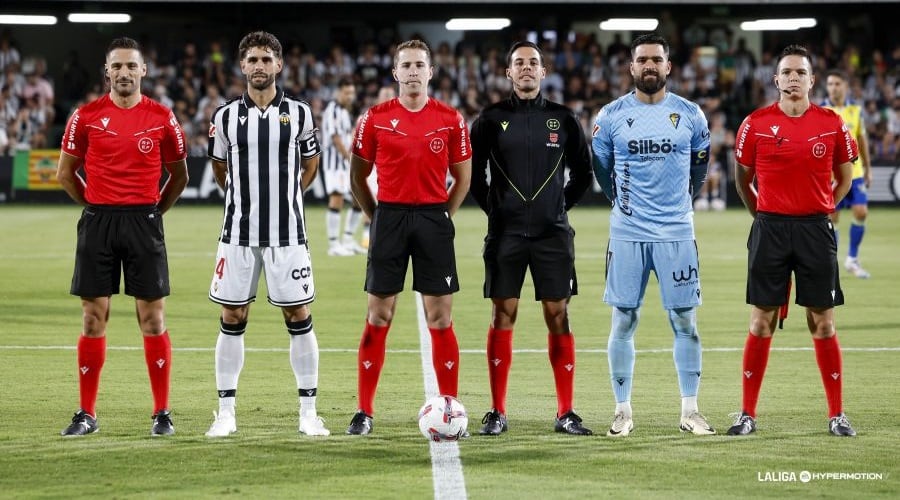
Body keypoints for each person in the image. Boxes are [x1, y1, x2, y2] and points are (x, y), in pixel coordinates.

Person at [55, 37, 188, 437]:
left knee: (152, 318)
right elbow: (65, 173)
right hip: (99, 222)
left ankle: (161, 413)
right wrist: (95, 205)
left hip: (144, 221)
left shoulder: (163, 117)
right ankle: (86, 413)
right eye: (117, 67)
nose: (125, 73)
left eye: (132, 66)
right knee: (93, 318)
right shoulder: (86, 116)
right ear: (107, 72)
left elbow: (178, 176)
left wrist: (152, 212)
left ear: (143, 71)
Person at [205, 31, 329, 438]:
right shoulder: (223, 116)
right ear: (242, 66)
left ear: (279, 65)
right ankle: (225, 412)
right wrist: (243, 198)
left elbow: (310, 165)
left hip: (288, 234)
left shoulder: (300, 113)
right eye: (252, 60)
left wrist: (288, 194)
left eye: (266, 59)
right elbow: (220, 168)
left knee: (298, 316)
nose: (259, 66)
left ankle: (308, 412)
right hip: (237, 234)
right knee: (232, 316)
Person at [591, 33, 715, 437]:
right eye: (642, 59)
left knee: (685, 321)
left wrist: (678, 204)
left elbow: (699, 168)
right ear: (631, 68)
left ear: (668, 66)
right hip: (627, 232)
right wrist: (624, 205)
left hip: (677, 231)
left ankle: (690, 410)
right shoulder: (610, 116)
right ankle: (622, 411)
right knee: (623, 319)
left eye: (656, 60)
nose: (649, 66)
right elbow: (602, 171)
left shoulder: (691, 114)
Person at [730, 44, 857, 437]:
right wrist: (763, 215)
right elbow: (742, 179)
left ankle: (837, 414)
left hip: (815, 230)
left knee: (822, 323)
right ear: (776, 79)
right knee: (762, 320)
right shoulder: (754, 123)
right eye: (786, 72)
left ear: (811, 79)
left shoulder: (833, 123)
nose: (793, 78)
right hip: (769, 228)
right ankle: (747, 414)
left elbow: (846, 177)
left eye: (800, 72)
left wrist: (823, 208)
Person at [346, 39, 472, 435]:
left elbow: (463, 178)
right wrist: (378, 217)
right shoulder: (375, 117)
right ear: (396, 72)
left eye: (420, 65)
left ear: (431, 72)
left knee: (440, 316)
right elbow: (357, 177)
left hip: (433, 218)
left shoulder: (451, 119)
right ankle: (364, 411)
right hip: (390, 217)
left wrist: (441, 217)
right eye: (407, 65)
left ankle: (449, 407)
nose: (414, 71)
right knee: (378, 314)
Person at [469, 41, 594, 436]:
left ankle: (566, 412)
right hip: (505, 235)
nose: (526, 69)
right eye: (519, 63)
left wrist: (555, 211)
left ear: (544, 72)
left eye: (533, 63)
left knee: (558, 315)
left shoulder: (564, 119)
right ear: (508, 73)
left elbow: (583, 175)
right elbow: (474, 181)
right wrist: (498, 213)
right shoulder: (489, 119)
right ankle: (497, 411)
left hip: (552, 235)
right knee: (502, 315)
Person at [823, 69, 872, 279]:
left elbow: (861, 140)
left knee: (861, 212)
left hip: (856, 171)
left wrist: (868, 168)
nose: (833, 88)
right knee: (832, 218)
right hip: (831, 175)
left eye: (837, 83)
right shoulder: (821, 111)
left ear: (845, 86)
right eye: (830, 84)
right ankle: (831, 262)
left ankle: (852, 259)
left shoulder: (855, 110)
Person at [321, 77, 365, 256]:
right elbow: (336, 138)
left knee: (358, 198)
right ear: (338, 91)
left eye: (352, 93)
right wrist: (349, 158)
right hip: (335, 163)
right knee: (337, 197)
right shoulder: (333, 110)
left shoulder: (345, 112)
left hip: (346, 162)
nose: (350, 97)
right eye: (347, 93)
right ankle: (333, 245)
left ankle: (347, 239)